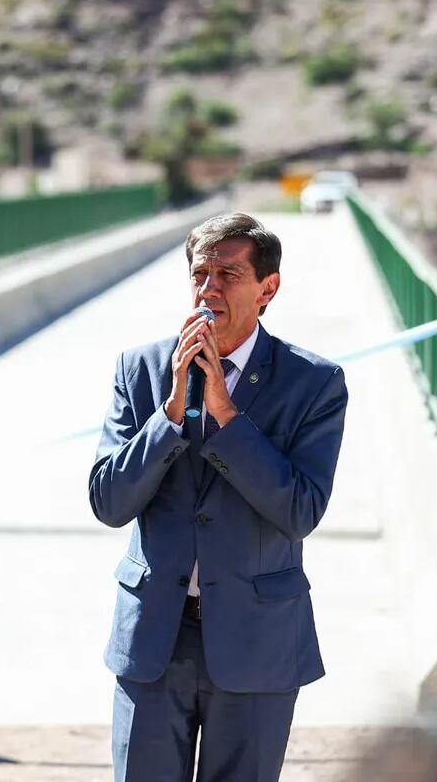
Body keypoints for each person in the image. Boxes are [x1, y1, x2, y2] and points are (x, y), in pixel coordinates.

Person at [88, 212, 350, 781]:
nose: (209, 289)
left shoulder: (314, 383)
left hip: (258, 644)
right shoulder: (141, 371)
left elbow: (300, 509)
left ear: (267, 289)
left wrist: (227, 415)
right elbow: (109, 502)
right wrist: (171, 413)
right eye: (200, 274)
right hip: (156, 638)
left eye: (227, 275)